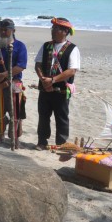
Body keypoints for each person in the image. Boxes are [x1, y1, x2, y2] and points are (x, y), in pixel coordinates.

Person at [34, 17, 81, 150]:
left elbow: (71, 70)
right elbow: (38, 64)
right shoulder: (46, 46)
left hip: (61, 91)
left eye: (56, 29)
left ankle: (61, 144)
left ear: (65, 31)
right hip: (45, 89)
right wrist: (43, 79)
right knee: (43, 116)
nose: (53, 31)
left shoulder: (72, 49)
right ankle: (42, 141)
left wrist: (53, 80)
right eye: (53, 28)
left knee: (61, 118)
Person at [0, 18, 28, 148]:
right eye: (1, 30)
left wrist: (3, 75)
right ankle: (0, 135)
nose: (3, 32)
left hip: (14, 84)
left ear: (13, 31)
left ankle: (15, 138)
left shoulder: (20, 46)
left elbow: (20, 66)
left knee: (15, 111)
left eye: (6, 30)